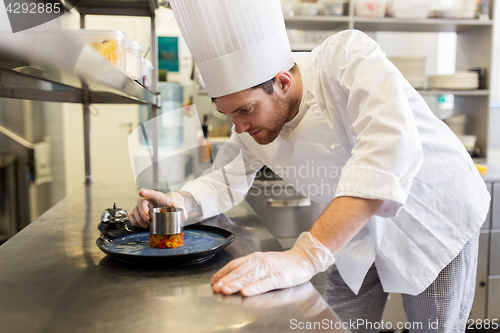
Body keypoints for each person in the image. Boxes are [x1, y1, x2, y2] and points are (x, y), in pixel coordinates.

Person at [129, 1, 490, 332]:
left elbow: (387, 150)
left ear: (282, 82)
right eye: (229, 113)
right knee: (333, 325)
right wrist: (179, 203)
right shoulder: (251, 127)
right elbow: (224, 179)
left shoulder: (348, 58)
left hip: (433, 219)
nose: (238, 128)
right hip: (351, 232)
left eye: (245, 110)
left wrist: (304, 256)